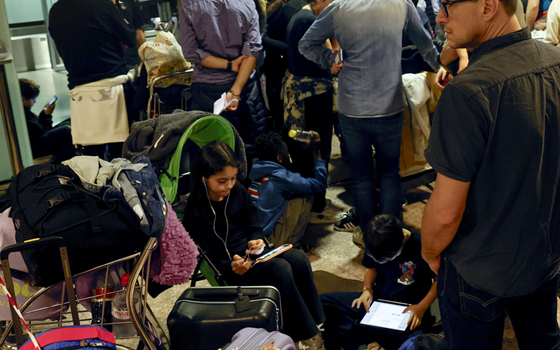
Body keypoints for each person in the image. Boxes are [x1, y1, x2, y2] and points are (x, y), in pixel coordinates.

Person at [422, 0, 560, 349]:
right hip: (543, 254)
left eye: (446, 5)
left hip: (478, 268)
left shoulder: (467, 91)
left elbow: (444, 214)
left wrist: (429, 252)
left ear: (488, 5)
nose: (440, 17)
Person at [299, 0, 441, 237]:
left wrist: (332, 60)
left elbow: (307, 44)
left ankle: (367, 234)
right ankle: (390, 234)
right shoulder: (400, 2)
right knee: (389, 173)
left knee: (362, 175)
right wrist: (442, 69)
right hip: (389, 103)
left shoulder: (339, 6)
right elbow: (426, 45)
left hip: (351, 105)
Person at [181, 141, 325, 349]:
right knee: (280, 268)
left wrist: (256, 239)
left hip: (253, 253)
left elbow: (253, 225)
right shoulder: (196, 210)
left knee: (298, 257)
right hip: (230, 265)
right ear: (205, 178)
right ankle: (306, 334)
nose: (229, 185)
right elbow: (205, 255)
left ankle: (319, 323)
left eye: (232, 179)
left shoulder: (237, 191)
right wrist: (233, 263)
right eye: (222, 181)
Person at [179, 0, 263, 142]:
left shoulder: (189, 5)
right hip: (243, 89)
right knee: (245, 148)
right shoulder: (246, 4)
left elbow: (190, 53)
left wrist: (227, 64)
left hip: (205, 91)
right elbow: (253, 51)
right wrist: (235, 91)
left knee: (209, 150)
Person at [321, 214, 437, 350]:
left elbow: (438, 281)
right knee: (324, 302)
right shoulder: (376, 240)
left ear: (404, 239)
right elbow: (371, 270)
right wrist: (367, 289)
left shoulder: (423, 246)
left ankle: (374, 340)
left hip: (410, 309)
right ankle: (374, 340)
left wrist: (421, 307)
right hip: (377, 302)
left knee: (417, 344)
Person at [284, 0, 344, 196]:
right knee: (318, 147)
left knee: (307, 146)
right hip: (313, 94)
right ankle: (317, 203)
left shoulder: (303, 15)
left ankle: (312, 201)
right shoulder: (310, 20)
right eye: (334, 4)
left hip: (304, 93)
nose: (337, 11)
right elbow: (332, 61)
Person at [48, 0, 137, 93]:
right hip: (112, 86)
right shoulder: (103, 5)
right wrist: (112, 4)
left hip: (78, 89)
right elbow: (130, 39)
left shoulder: (55, 11)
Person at [248, 131, 328, 246]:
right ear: (280, 158)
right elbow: (319, 184)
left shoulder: (256, 169)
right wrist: (316, 152)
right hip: (266, 241)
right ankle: (291, 243)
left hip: (252, 237)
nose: (289, 157)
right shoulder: (282, 177)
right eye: (287, 154)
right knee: (305, 195)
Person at [264, 0, 307, 129]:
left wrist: (262, 39)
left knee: (287, 128)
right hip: (279, 74)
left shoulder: (293, 8)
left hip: (284, 76)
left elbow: (294, 48)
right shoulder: (283, 3)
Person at [19, 78, 74, 161]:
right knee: (66, 131)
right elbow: (43, 131)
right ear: (23, 99)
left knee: (70, 121)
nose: (35, 102)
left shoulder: (25, 111)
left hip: (38, 139)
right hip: (35, 148)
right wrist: (47, 115)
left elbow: (39, 127)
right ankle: (62, 161)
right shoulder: (24, 116)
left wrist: (44, 114)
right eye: (33, 99)